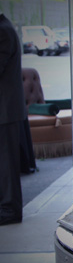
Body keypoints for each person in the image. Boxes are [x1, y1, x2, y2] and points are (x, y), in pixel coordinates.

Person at [0, 13, 26, 225]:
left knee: (7, 165)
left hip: (5, 111)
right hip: (5, 110)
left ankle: (10, 210)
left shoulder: (3, 31)